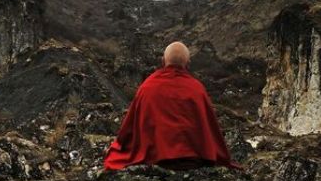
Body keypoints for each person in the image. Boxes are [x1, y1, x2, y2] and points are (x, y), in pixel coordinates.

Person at [102, 41, 238, 171]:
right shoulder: (197, 89)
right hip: (193, 161)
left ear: (163, 61)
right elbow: (211, 130)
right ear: (187, 63)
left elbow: (129, 128)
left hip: (156, 159)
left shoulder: (148, 86)